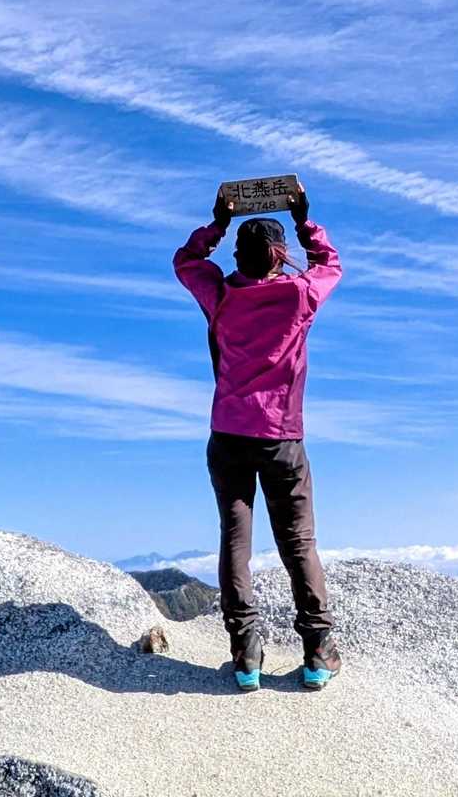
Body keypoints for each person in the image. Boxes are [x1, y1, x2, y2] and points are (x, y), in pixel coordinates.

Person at [173, 182, 342, 692]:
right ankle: (317, 653)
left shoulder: (220, 295)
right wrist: (304, 219)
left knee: (234, 539)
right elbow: (330, 262)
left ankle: (246, 656)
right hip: (282, 437)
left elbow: (186, 260)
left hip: (227, 433)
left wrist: (217, 224)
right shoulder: (300, 294)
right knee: (298, 543)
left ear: (238, 256)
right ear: (279, 255)